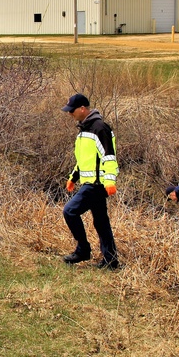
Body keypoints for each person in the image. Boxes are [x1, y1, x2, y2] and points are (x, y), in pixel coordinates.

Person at [61, 93, 120, 269]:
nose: (70, 114)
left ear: (82, 109)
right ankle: (111, 260)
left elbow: (109, 156)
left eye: (72, 110)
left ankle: (83, 250)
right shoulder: (84, 131)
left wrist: (110, 181)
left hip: (97, 184)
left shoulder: (99, 128)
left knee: (70, 211)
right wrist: (73, 177)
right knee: (101, 221)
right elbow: (84, 160)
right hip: (89, 182)